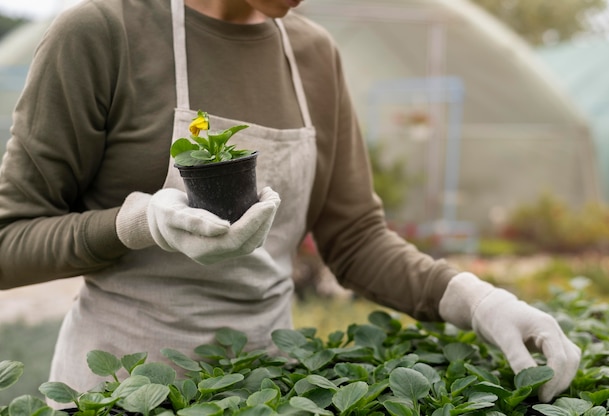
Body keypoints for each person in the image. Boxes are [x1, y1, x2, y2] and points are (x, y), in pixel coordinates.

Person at [0, 0, 579, 405]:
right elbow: (10, 240)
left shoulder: (314, 55)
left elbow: (354, 238)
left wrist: (473, 300)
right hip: (118, 390)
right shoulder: (103, 32)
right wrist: (134, 224)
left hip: (267, 392)